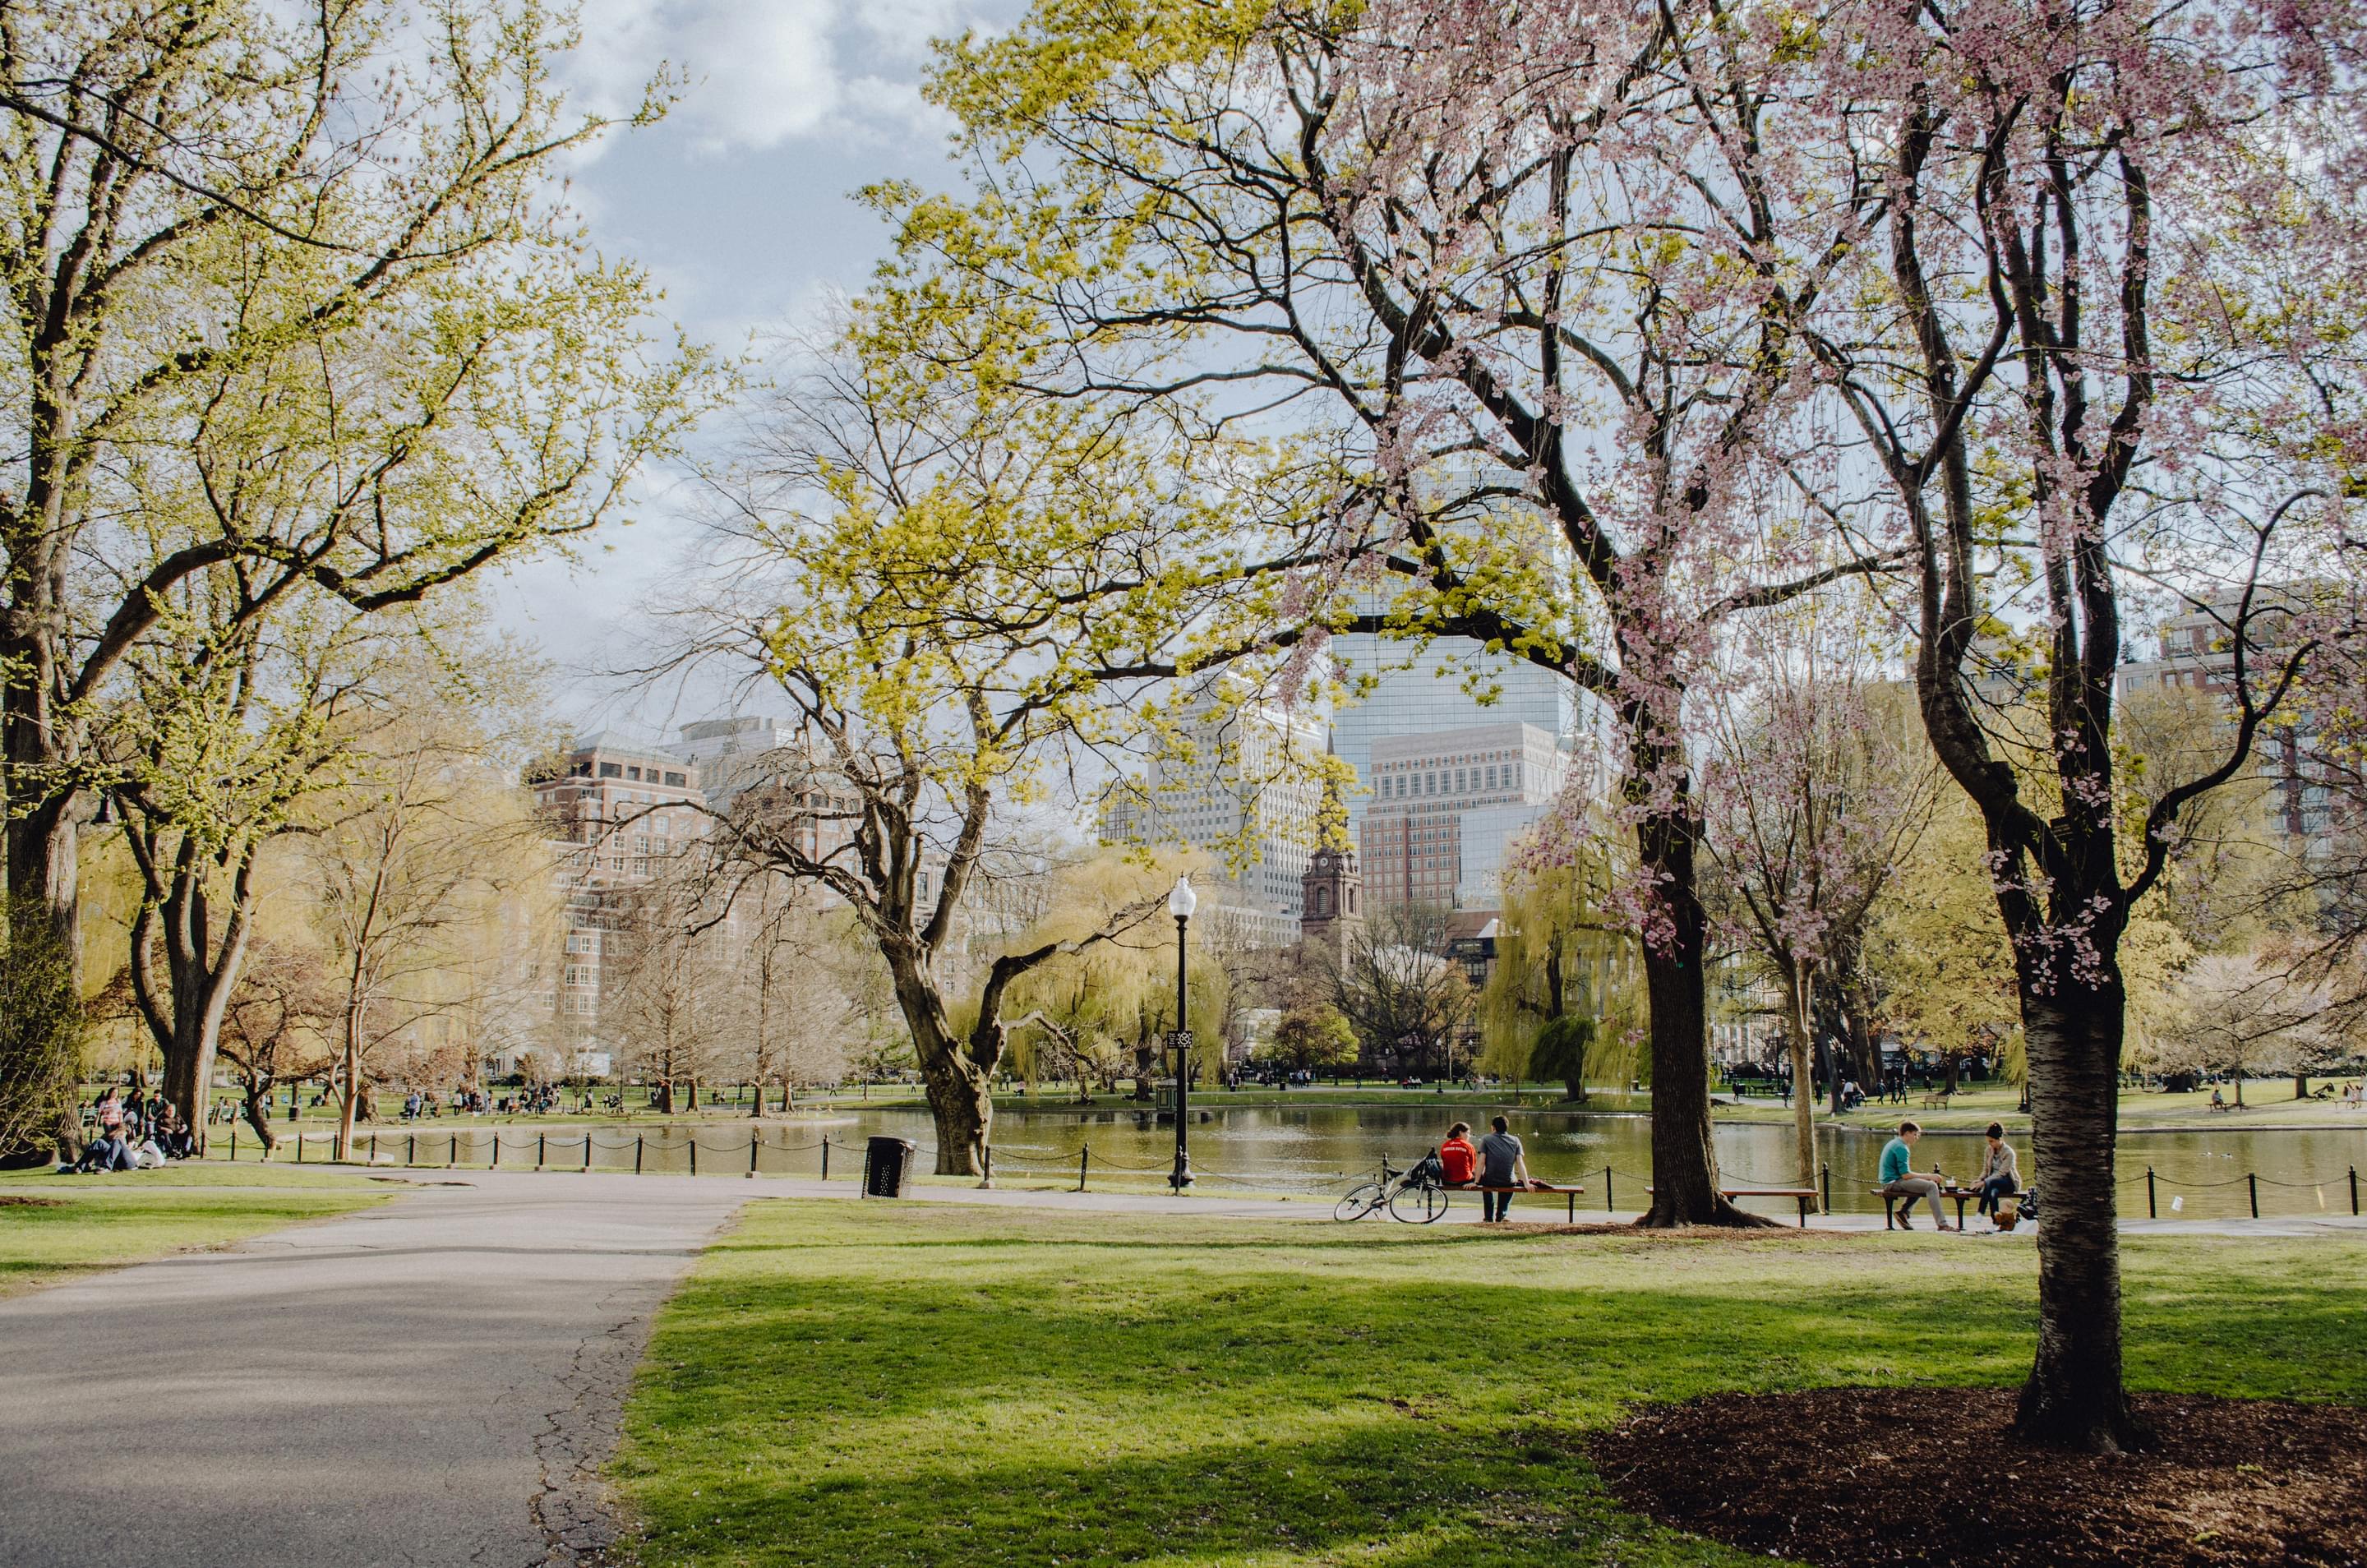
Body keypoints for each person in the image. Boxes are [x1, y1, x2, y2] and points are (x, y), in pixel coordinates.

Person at [1879, 1120, 1954, 1230]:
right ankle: (1942, 1224)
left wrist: (1924, 1178)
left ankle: (1903, 1213)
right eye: (1915, 1134)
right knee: (1931, 1186)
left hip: (1889, 1181)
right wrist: (1930, 1176)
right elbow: (1906, 1175)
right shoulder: (1901, 1148)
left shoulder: (1895, 1143)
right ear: (1907, 1133)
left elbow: (1905, 1174)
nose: (1917, 1137)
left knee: (1922, 1184)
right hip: (1892, 1182)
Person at [1477, 1115, 1530, 1222]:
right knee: (1511, 1181)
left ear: (1493, 1127)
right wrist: (1526, 1183)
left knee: (1485, 1183)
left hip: (1490, 1180)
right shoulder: (1516, 1140)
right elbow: (1520, 1163)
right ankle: (1501, 1215)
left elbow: (1481, 1161)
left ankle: (1488, 1217)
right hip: (1507, 1181)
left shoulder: (1486, 1139)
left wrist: (1476, 1181)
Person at [1974, 1122, 2019, 1222]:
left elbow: (2001, 1173)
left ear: (1999, 1139)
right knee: (1993, 1192)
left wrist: (1984, 1182)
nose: (1990, 1144)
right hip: (1992, 1183)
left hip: (2007, 1181)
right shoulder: (1988, 1150)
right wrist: (1979, 1180)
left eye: (1992, 1141)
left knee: (1989, 1183)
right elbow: (1986, 1170)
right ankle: (1996, 1220)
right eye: (1989, 1141)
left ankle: (1980, 1212)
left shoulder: (2008, 1153)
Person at [1438, 1122, 1478, 1187]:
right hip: (1465, 1180)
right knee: (1483, 1176)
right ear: (1460, 1133)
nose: (1469, 1136)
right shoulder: (1468, 1145)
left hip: (1447, 1181)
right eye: (1468, 1133)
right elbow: (1472, 1166)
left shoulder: (1445, 1145)